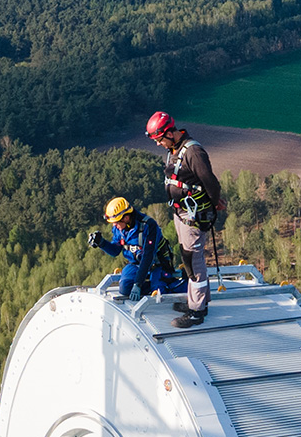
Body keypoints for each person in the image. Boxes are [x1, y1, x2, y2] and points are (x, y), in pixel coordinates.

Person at [145, 111, 226, 329]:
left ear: (170, 133)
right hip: (181, 212)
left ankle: (197, 312)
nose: (159, 144)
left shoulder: (193, 152)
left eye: (160, 139)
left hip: (193, 215)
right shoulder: (174, 150)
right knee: (188, 256)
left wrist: (215, 202)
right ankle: (198, 301)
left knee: (193, 260)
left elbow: (210, 181)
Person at [88, 196, 179, 301]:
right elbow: (115, 251)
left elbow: (148, 257)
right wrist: (101, 243)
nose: (114, 225)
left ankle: (168, 283)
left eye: (116, 222)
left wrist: (138, 284)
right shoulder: (119, 228)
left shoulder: (148, 226)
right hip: (136, 264)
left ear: (126, 218)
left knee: (159, 291)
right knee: (125, 288)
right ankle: (150, 285)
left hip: (158, 264)